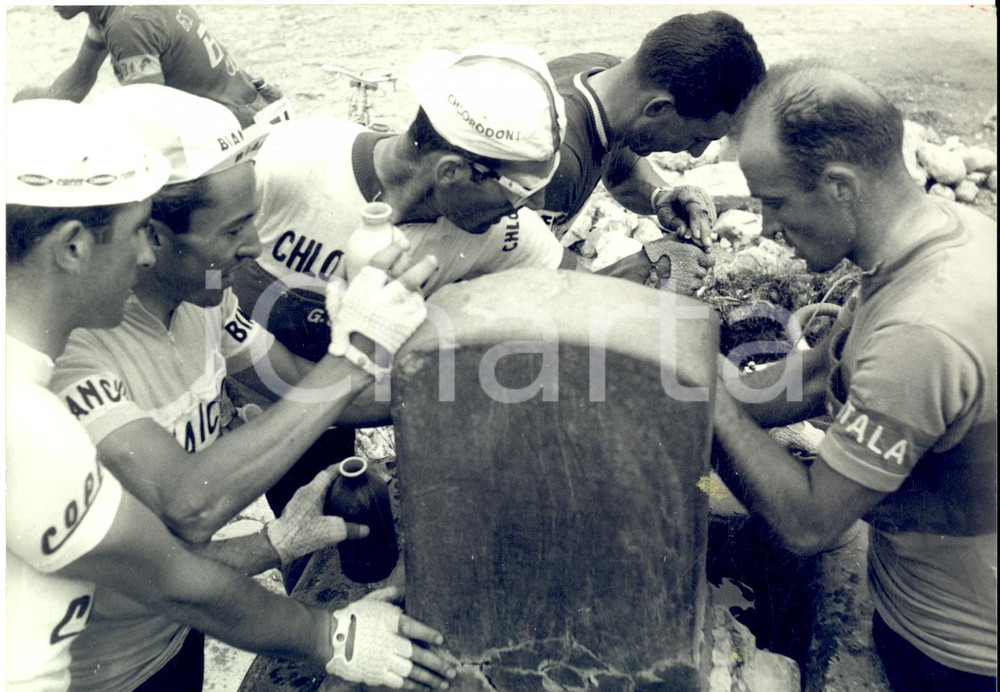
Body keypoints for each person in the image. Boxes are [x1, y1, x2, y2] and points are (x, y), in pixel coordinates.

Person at [6, 98, 454, 692]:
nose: (256, 246)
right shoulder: (54, 375)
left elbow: (298, 387)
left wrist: (443, 394)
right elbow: (188, 505)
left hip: (170, 635)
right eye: (235, 229)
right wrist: (356, 353)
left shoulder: (207, 299)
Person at [710, 61, 996, 691]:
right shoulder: (936, 241)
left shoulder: (923, 328)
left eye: (776, 201)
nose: (765, 226)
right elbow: (817, 377)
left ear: (840, 185)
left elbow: (808, 523)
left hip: (958, 655)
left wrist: (709, 403)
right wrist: (673, 386)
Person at [538, 11, 766, 293]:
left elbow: (622, 173)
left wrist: (662, 197)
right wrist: (637, 268)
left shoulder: (607, 76)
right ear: (658, 108)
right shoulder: (558, 157)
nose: (696, 153)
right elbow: (524, 296)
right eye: (698, 137)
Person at [13, 5, 290, 128]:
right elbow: (80, 78)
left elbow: (151, 118)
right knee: (26, 101)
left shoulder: (125, 23)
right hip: (249, 109)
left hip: (241, 127)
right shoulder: (108, 12)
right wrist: (33, 114)